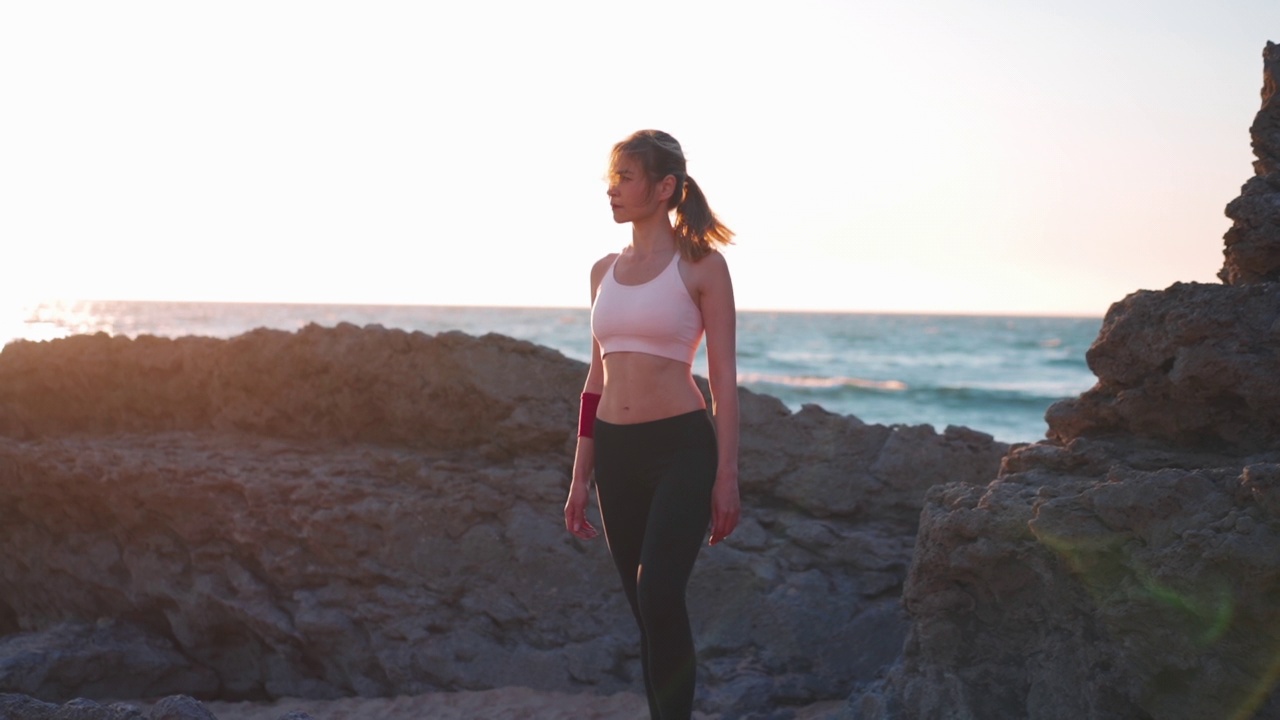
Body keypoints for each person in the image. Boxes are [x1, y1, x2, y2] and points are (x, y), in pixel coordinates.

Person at [563, 129, 741, 720]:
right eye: (611, 178)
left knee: (659, 593)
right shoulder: (601, 272)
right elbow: (595, 379)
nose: (613, 191)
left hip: (681, 450)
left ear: (664, 187)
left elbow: (722, 383)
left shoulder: (702, 267)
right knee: (646, 612)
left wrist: (726, 475)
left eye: (626, 177)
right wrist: (580, 472)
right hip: (615, 452)